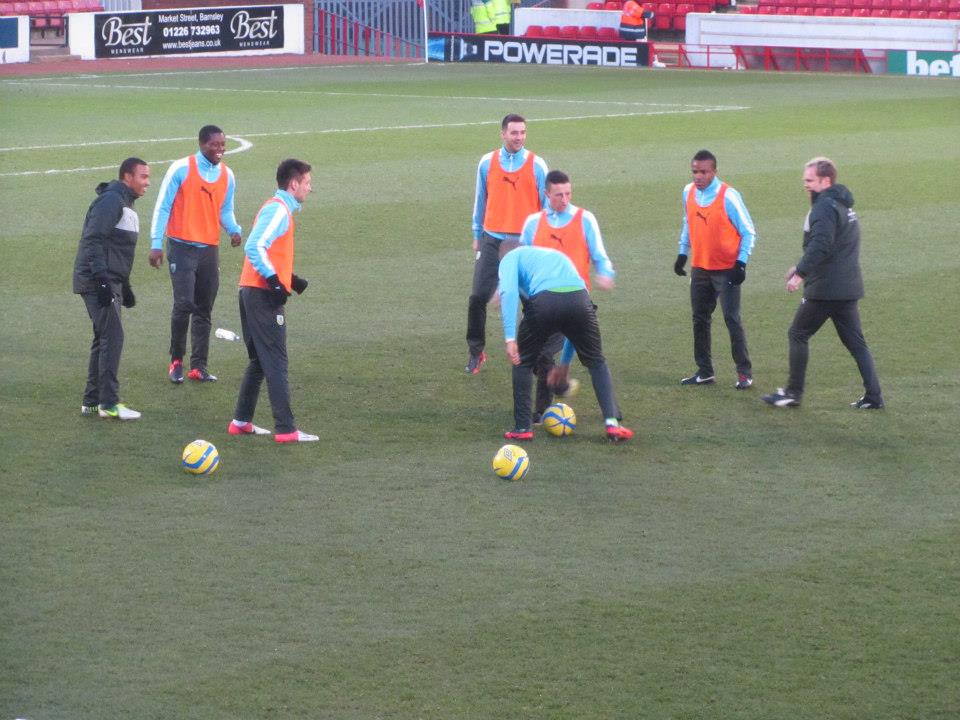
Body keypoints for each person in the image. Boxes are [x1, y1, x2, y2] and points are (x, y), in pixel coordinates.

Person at [762, 157, 884, 410]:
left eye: (810, 180)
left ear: (825, 181)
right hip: (848, 286)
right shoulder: (843, 206)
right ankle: (874, 397)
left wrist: (800, 274)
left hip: (825, 289)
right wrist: (799, 267)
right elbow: (835, 246)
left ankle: (793, 393)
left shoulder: (824, 207)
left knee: (798, 333)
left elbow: (821, 245)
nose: (805, 184)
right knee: (857, 344)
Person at [498, 244, 633, 442]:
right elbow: (571, 328)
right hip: (580, 300)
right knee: (596, 362)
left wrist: (510, 338)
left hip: (544, 302)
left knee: (522, 362)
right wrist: (564, 364)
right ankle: (612, 424)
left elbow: (508, 292)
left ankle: (523, 428)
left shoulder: (510, 257)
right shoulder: (555, 255)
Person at [228, 158, 319, 443]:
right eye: (307, 182)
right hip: (261, 295)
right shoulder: (279, 210)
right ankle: (286, 429)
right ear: (293, 184)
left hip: (250, 290)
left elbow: (268, 251)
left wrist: (290, 278)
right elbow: (254, 246)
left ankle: (241, 421)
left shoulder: (277, 208)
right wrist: (275, 282)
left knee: (259, 360)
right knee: (276, 360)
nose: (310, 188)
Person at [519, 169, 616, 420]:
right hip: (541, 301)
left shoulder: (585, 219)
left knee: (557, 355)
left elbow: (600, 256)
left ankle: (543, 411)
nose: (564, 199)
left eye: (568, 194)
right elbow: (521, 261)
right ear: (546, 194)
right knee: (534, 354)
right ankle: (558, 389)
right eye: (559, 195)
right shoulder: (533, 224)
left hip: (575, 301)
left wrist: (605, 273)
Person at [149, 124, 242, 384]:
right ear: (202, 144)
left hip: (209, 249)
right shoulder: (181, 169)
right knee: (184, 304)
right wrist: (156, 243)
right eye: (214, 145)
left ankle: (198, 366)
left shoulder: (227, 175)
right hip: (181, 247)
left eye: (223, 145)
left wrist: (233, 229)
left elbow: (225, 209)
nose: (220, 149)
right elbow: (163, 206)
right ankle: (176, 361)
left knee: (204, 308)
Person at [466, 113, 548, 375]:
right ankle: (476, 352)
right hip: (492, 239)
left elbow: (546, 209)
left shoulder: (537, 165)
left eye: (522, 132)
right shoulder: (487, 163)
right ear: (503, 134)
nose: (519, 137)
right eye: (514, 132)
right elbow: (480, 200)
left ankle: (533, 354)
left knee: (532, 302)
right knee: (478, 296)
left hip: (524, 244)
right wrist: (477, 235)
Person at [73, 157, 151, 421]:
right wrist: (103, 280)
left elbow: (117, 250)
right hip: (97, 280)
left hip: (108, 279)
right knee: (113, 337)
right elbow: (93, 240)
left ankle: (92, 402)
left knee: (104, 337)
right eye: (143, 176)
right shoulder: (111, 202)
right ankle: (108, 404)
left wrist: (124, 286)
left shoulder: (124, 203)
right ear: (127, 177)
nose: (147, 182)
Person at [674, 149, 757, 389]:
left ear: (714, 172)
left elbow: (749, 231)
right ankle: (705, 371)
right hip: (700, 267)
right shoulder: (688, 192)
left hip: (726, 270)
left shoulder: (728, 196)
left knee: (732, 319)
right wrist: (682, 253)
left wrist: (741, 263)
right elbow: (688, 222)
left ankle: (744, 373)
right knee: (699, 319)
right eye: (695, 171)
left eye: (703, 172)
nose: (698, 176)